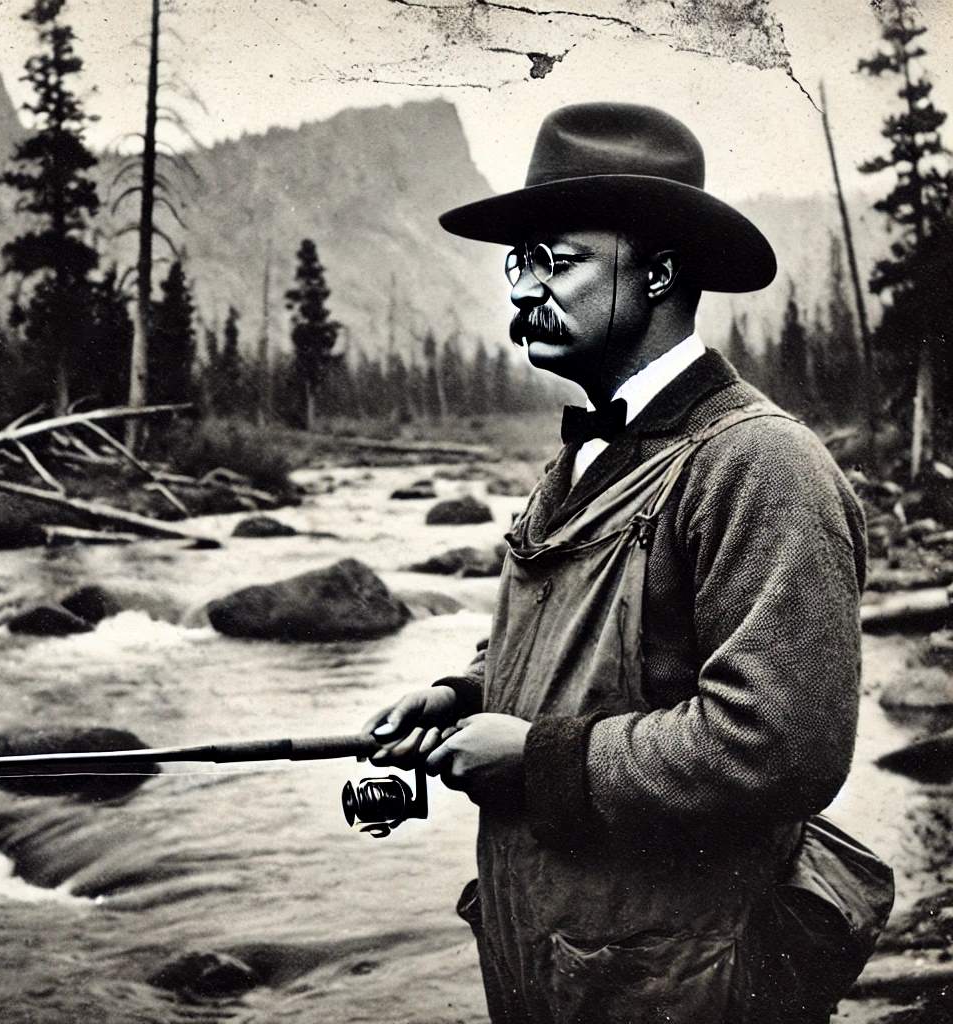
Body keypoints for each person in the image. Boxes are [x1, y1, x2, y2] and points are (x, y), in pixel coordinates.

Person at [364, 103, 870, 1024]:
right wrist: (465, 694)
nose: (522, 291)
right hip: (568, 969)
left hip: (687, 982)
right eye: (518, 263)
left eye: (555, 260)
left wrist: (537, 761)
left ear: (661, 270)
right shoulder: (590, 457)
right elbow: (599, 645)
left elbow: (781, 747)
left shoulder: (761, 465)